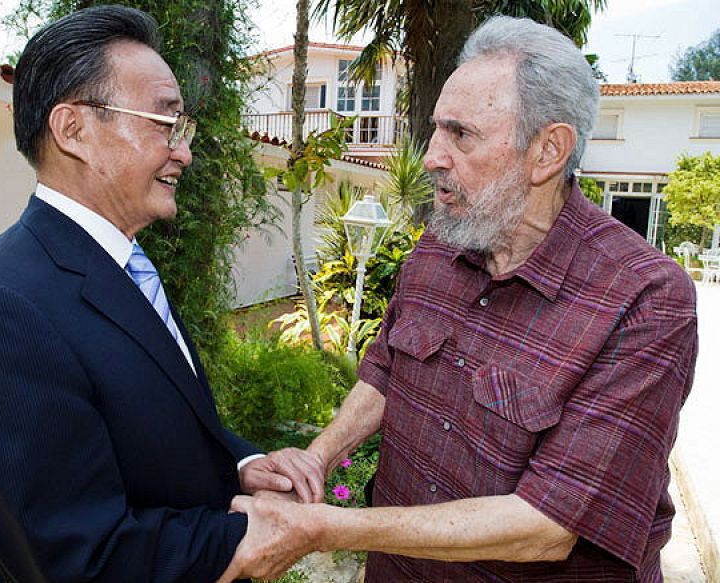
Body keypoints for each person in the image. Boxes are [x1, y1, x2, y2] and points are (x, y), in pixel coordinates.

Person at [217, 15, 699, 582]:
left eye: (460, 135)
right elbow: (387, 370)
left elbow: (549, 524)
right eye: (435, 131)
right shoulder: (440, 244)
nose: (431, 157)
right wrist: (316, 458)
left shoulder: (644, 297)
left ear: (548, 151)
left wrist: (325, 528)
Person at [0, 6, 323, 582]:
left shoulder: (125, 264)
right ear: (73, 130)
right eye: (165, 122)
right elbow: (81, 558)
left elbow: (156, 424)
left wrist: (243, 464)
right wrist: (254, 534)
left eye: (183, 128)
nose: (183, 151)